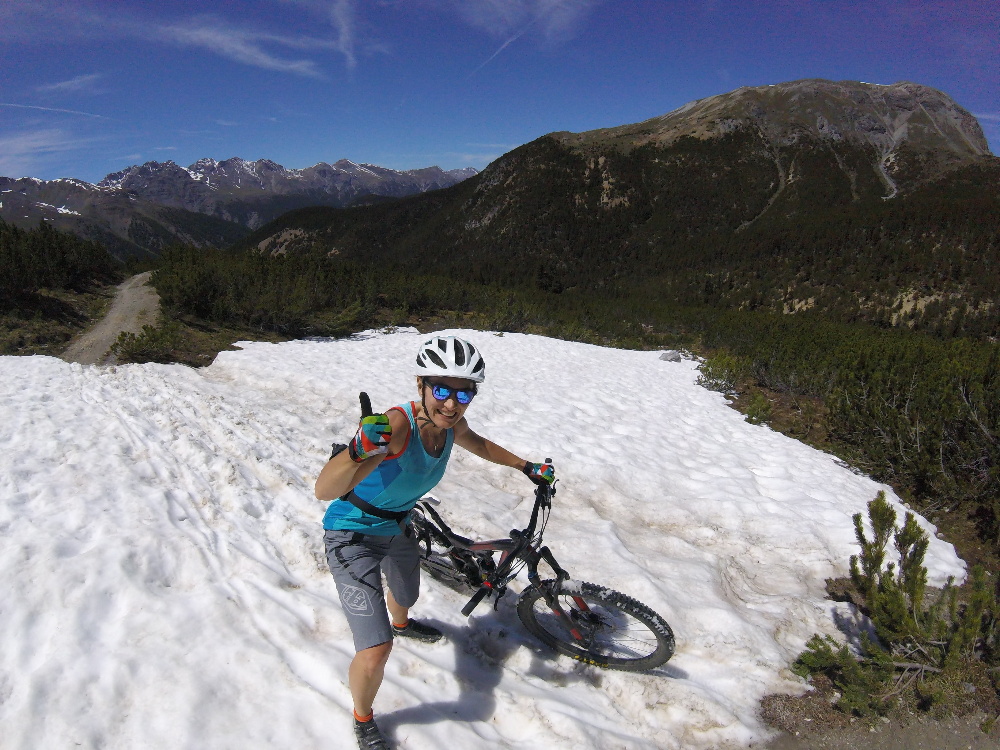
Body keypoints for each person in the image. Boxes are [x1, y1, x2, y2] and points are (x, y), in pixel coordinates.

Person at [315, 335, 555, 750]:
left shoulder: (450, 424)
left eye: (464, 393)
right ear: (420, 385)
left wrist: (525, 465)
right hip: (351, 534)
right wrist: (357, 450)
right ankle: (363, 717)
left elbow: (476, 442)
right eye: (441, 389)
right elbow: (324, 488)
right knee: (375, 650)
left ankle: (403, 622)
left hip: (399, 523)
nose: (451, 403)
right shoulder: (397, 425)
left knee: (407, 591)